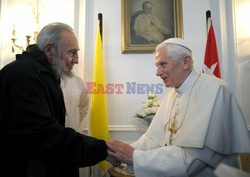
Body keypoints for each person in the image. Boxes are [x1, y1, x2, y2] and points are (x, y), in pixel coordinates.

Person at [107, 38, 250, 177]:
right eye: (157, 66)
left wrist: (135, 157)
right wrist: (120, 153)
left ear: (186, 62)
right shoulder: (172, 94)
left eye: (163, 64)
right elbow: (153, 139)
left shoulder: (216, 91)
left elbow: (191, 160)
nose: (158, 72)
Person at [0, 22, 111, 177]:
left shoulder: (45, 75)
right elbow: (44, 137)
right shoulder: (20, 75)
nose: (77, 60)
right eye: (72, 53)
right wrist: (103, 148)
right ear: (49, 49)